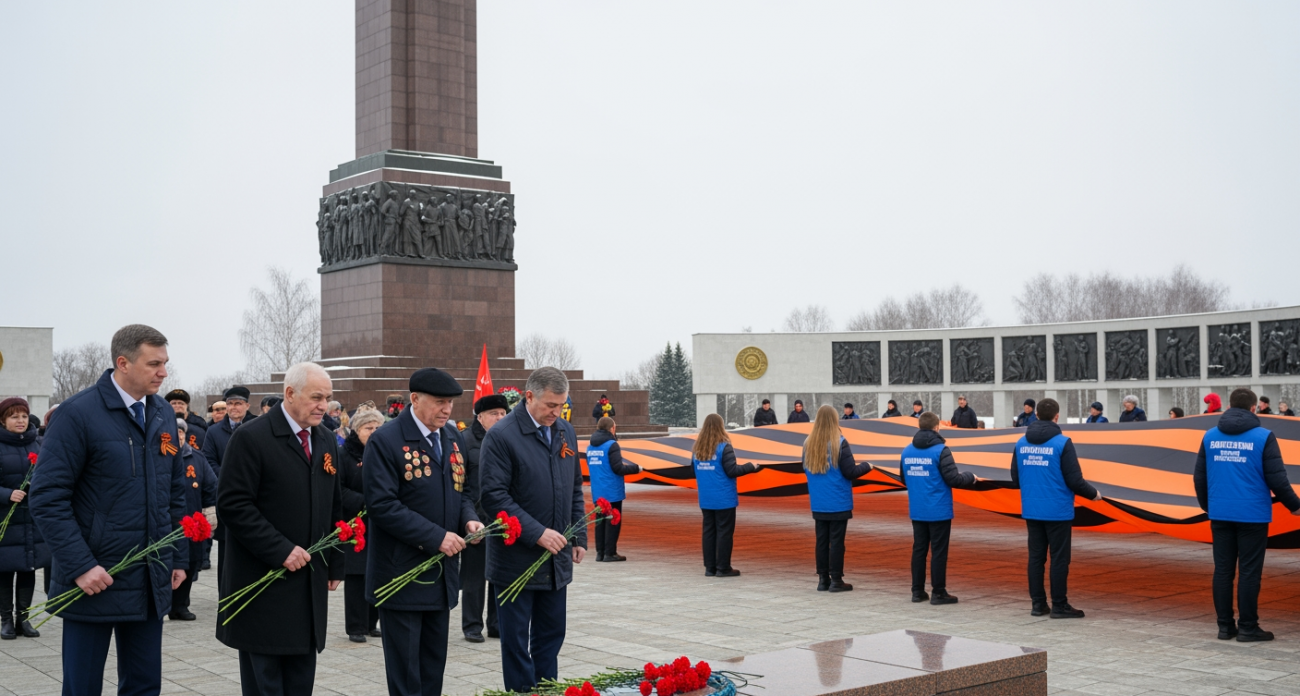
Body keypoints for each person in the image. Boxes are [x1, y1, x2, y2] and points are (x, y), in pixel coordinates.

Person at [30, 324, 189, 695]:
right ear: (123, 363)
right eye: (154, 364)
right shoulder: (78, 414)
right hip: (95, 580)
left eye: (165, 363)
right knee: (83, 686)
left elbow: (174, 494)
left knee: (144, 685)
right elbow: (47, 497)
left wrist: (178, 556)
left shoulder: (163, 413)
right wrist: (81, 566)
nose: (163, 372)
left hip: (150, 578)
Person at [216, 362, 345, 695]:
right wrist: (281, 549)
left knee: (301, 680)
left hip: (309, 585)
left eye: (327, 398)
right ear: (290, 393)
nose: (323, 405)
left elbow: (335, 505)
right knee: (267, 682)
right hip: (264, 585)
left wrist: (335, 562)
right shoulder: (251, 437)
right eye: (316, 397)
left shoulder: (327, 440)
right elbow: (234, 505)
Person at [364, 368, 482, 696]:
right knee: (406, 673)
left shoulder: (452, 438)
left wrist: (469, 519)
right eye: (440, 402)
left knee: (433, 666)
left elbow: (462, 492)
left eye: (451, 403)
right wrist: (436, 537)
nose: (447, 410)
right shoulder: (386, 440)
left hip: (441, 575)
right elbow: (382, 505)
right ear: (414, 399)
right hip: (401, 573)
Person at [480, 367, 586, 694]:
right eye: (550, 405)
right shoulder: (502, 436)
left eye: (562, 405)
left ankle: (547, 691)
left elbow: (574, 488)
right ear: (529, 397)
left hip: (555, 560)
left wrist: (578, 534)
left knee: (551, 635)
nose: (557, 412)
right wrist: (537, 532)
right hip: (516, 560)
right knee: (515, 642)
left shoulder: (565, 431)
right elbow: (493, 497)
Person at [1194, 388, 1300, 642]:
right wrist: (1295, 506)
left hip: (1220, 513)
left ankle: (1224, 626)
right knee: (1249, 572)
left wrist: (1209, 506)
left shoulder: (1210, 437)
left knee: (1223, 571)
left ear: (1229, 406)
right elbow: (1277, 478)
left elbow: (1199, 477)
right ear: (1254, 408)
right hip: (1252, 514)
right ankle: (1248, 627)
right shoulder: (1263, 437)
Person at [1010, 398, 1101, 619]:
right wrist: (1094, 494)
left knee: (1036, 557)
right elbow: (1074, 480)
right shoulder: (1062, 443)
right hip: (1058, 511)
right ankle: (1059, 605)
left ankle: (1038, 605)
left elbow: (1015, 478)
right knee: (1059, 558)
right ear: (1057, 416)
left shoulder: (1021, 443)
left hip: (1032, 509)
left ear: (1037, 415)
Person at [902, 412, 976, 605]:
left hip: (917, 509)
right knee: (938, 552)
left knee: (919, 550)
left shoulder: (907, 451)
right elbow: (954, 479)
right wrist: (971, 476)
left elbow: (904, 479)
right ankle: (938, 592)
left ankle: (917, 591)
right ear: (937, 428)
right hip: (938, 510)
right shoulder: (941, 450)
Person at [802, 406, 873, 593]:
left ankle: (822, 580)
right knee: (837, 543)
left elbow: (805, 468)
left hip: (818, 502)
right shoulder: (839, 442)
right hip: (838, 501)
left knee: (821, 541)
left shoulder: (808, 443)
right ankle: (836, 580)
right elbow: (850, 472)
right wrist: (867, 466)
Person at [461, 394, 510, 643]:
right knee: (474, 576)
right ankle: (471, 625)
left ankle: (496, 624)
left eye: (503, 414)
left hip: (501, 519)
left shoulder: (508, 440)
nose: (500, 418)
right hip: (476, 519)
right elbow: (461, 486)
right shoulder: (465, 441)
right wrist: (469, 518)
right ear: (480, 417)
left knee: (499, 574)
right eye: (494, 414)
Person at [0, 398, 48, 639]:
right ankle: (6, 620)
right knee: (6, 570)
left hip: (32, 517)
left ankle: (24, 619)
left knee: (29, 568)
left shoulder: (39, 444)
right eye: (14, 417)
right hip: (6, 518)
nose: (20, 421)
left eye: (23, 416)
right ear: (3, 420)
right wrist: (8, 494)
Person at [690, 413, 760, 578]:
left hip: (706, 498)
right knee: (724, 532)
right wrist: (751, 466)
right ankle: (723, 568)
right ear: (721, 427)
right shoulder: (724, 447)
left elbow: (692, 471)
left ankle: (710, 568)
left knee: (709, 532)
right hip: (724, 498)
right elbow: (732, 471)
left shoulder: (697, 450)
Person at [338, 408, 384, 643]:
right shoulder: (344, 454)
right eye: (369, 428)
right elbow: (338, 488)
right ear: (357, 430)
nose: (374, 432)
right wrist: (364, 503)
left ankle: (371, 622)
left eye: (378, 428)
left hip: (380, 521)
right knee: (356, 575)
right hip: (355, 522)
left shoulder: (385, 452)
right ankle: (355, 626)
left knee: (376, 573)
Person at [169, 418, 216, 622]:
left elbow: (210, 486)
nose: (178, 436)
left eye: (181, 432)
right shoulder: (159, 453)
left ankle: (180, 605)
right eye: (174, 432)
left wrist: (209, 513)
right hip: (166, 521)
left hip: (192, 521)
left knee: (191, 561)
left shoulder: (196, 457)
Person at [203, 385, 251, 574]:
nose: (233, 408)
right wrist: (229, 477)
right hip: (226, 495)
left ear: (247, 405)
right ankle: (225, 600)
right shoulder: (214, 432)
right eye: (229, 404)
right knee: (226, 554)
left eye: (238, 403)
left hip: (253, 495)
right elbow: (208, 460)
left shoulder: (258, 426)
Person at [588, 417, 642, 563]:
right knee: (613, 521)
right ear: (612, 428)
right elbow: (617, 468)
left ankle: (600, 553)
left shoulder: (590, 446)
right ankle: (610, 553)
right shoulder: (612, 445)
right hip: (611, 491)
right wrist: (636, 469)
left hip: (598, 491)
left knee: (600, 521)